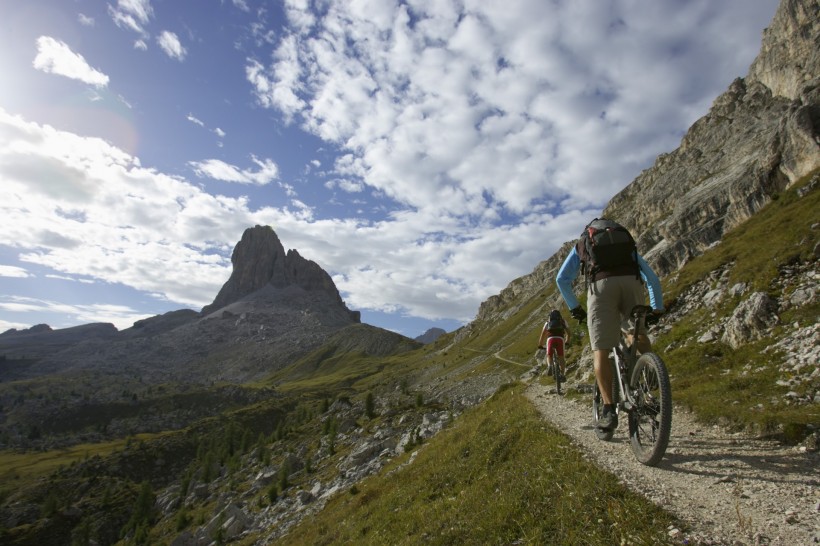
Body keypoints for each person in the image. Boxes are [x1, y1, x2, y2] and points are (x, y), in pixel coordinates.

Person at [556, 219, 664, 431]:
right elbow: (651, 277)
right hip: (632, 284)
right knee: (636, 332)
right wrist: (657, 307)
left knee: (601, 351)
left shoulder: (583, 242)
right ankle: (650, 380)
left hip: (601, 287)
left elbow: (561, 279)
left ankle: (608, 410)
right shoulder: (624, 244)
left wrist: (575, 307)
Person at [536, 309, 572, 381]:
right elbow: (569, 333)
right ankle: (562, 375)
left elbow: (542, 335)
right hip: (560, 339)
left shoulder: (547, 322)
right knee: (561, 357)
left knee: (549, 355)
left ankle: (550, 366)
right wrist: (567, 341)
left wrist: (540, 345)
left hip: (550, 339)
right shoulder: (563, 321)